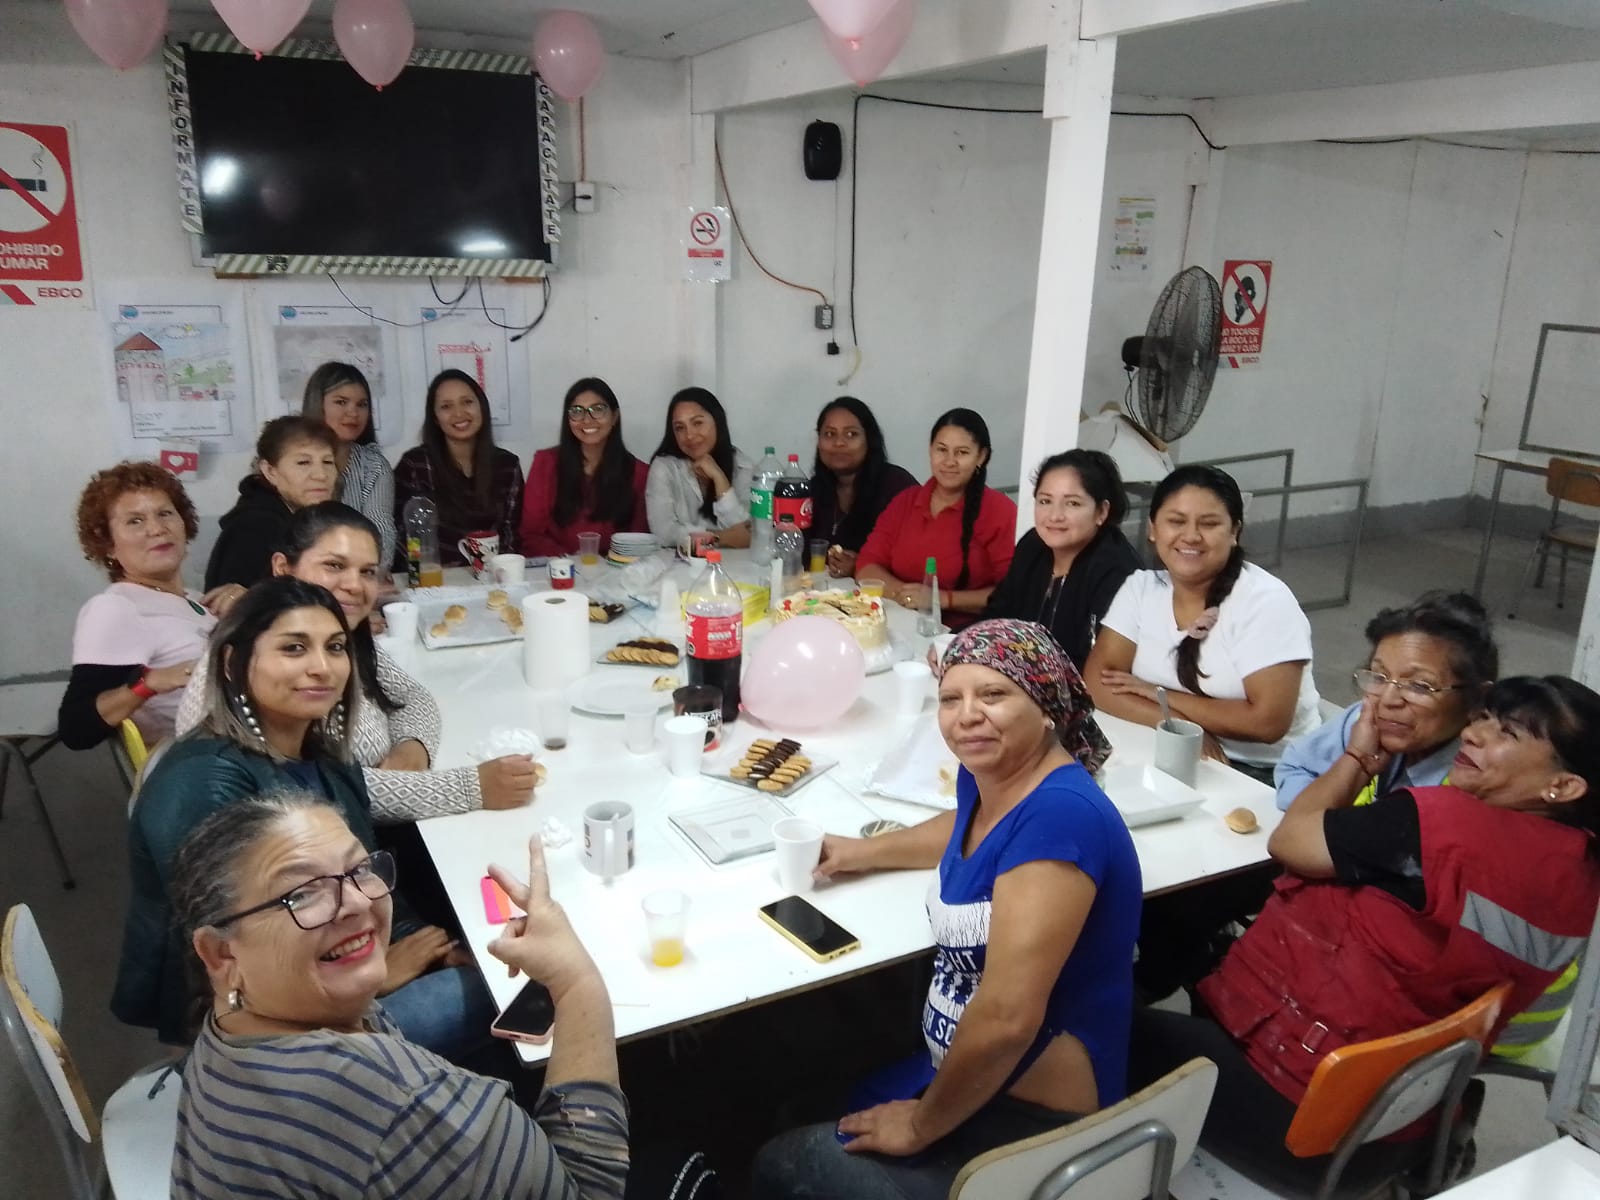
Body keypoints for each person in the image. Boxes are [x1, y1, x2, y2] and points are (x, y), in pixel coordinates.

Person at [1129, 677, 1600, 1181]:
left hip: (1298, 1120)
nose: (1473, 734)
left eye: (1506, 732)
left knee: (1091, 1029)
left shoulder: (1442, 824)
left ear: (1563, 786)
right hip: (1398, 1119)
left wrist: (1356, 758)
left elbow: (1290, 841)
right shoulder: (1580, 872)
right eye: (1483, 718)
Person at [751, 620, 1139, 1200]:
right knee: (806, 1097)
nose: (966, 716)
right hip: (969, 1074)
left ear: (1047, 705)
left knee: (781, 1163)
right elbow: (968, 825)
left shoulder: (1061, 819)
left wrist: (919, 1125)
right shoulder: (993, 776)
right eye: (951, 699)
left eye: (994, 694)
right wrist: (866, 852)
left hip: (1031, 1124)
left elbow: (1007, 1016)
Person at [167, 795, 629, 1197]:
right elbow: (585, 1191)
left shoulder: (224, 1034)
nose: (357, 902)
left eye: (359, 870)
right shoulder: (393, 1102)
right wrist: (575, 982)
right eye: (302, 893)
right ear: (221, 953)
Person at [114, 577, 490, 1059]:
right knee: (503, 996)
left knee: (486, 958)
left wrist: (425, 945)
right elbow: (236, 954)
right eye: (294, 648)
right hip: (254, 1024)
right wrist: (378, 974)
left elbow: (363, 875)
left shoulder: (316, 751)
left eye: (335, 647)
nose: (322, 667)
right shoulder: (203, 785)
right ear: (232, 663)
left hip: (329, 954)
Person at [176, 503, 537, 818]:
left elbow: (413, 696)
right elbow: (301, 791)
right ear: (283, 568)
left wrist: (412, 748)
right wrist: (469, 788)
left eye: (367, 572)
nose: (354, 584)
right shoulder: (251, 657)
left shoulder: (340, 634)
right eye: (334, 565)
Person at [1085, 464, 1321, 773]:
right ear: (1153, 529)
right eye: (1176, 521)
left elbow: (1267, 723)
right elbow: (1099, 682)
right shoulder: (1141, 588)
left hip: (1266, 771)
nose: (1191, 536)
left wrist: (1162, 696)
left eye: (1209, 524)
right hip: (1170, 743)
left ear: (1234, 532)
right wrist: (1174, 721)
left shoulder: (1265, 602)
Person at [1275, 591, 1498, 812]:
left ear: (1477, 700)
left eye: (1419, 685)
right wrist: (1356, 761)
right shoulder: (1365, 722)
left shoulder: (1485, 780)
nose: (1388, 700)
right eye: (1379, 676)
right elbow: (1295, 767)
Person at [59, 462, 217, 750]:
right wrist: (148, 684)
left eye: (165, 514)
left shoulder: (195, 599)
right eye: (135, 521)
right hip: (199, 760)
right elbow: (76, 727)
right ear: (108, 544)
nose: (157, 529)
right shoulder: (116, 607)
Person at [856, 409, 1018, 629]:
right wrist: (908, 596)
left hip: (966, 636)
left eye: (962, 452)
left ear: (981, 457)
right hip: (900, 624)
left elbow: (1013, 593)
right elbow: (867, 566)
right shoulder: (906, 501)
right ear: (930, 450)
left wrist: (940, 599)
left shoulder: (999, 511)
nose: (949, 462)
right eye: (941, 450)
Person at [982, 449, 1141, 669]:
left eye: (1072, 503)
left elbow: (1098, 666)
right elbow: (996, 615)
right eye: (1045, 501)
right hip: (1017, 677)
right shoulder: (1033, 545)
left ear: (1101, 512)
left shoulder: (1117, 571)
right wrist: (958, 644)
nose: (1055, 516)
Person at [393, 369, 524, 567]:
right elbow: (402, 535)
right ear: (435, 418)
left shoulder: (508, 465)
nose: (459, 413)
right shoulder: (415, 465)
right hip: (432, 577)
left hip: (492, 576)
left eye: (467, 402)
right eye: (446, 406)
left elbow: (511, 534)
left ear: (482, 407)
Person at [204, 415, 338, 598]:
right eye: (303, 462)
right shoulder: (257, 526)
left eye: (328, 462)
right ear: (270, 471)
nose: (321, 475)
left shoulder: (301, 519)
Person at [520, 377, 650, 557]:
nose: (587, 420)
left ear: (614, 417)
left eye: (598, 409)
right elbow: (531, 534)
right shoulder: (545, 464)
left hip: (616, 569)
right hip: (558, 567)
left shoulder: (640, 473)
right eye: (577, 411)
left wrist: (604, 565)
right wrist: (572, 562)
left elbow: (637, 542)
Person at [807, 397, 918, 578]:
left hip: (882, 593)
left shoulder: (897, 487)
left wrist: (863, 565)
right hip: (821, 592)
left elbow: (916, 559)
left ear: (869, 440)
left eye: (851, 434)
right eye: (829, 434)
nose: (839, 443)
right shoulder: (813, 490)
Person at [301, 361, 397, 567]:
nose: (353, 413)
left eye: (362, 404)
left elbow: (381, 532)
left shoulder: (374, 466)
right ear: (318, 404)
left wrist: (367, 573)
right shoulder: (293, 460)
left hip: (360, 572)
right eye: (341, 402)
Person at [645, 386, 753, 549]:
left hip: (737, 563)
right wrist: (721, 538)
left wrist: (719, 479)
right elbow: (664, 534)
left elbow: (746, 534)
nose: (689, 435)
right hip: (680, 563)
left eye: (697, 423)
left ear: (717, 421)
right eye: (680, 428)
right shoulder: (664, 468)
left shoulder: (742, 466)